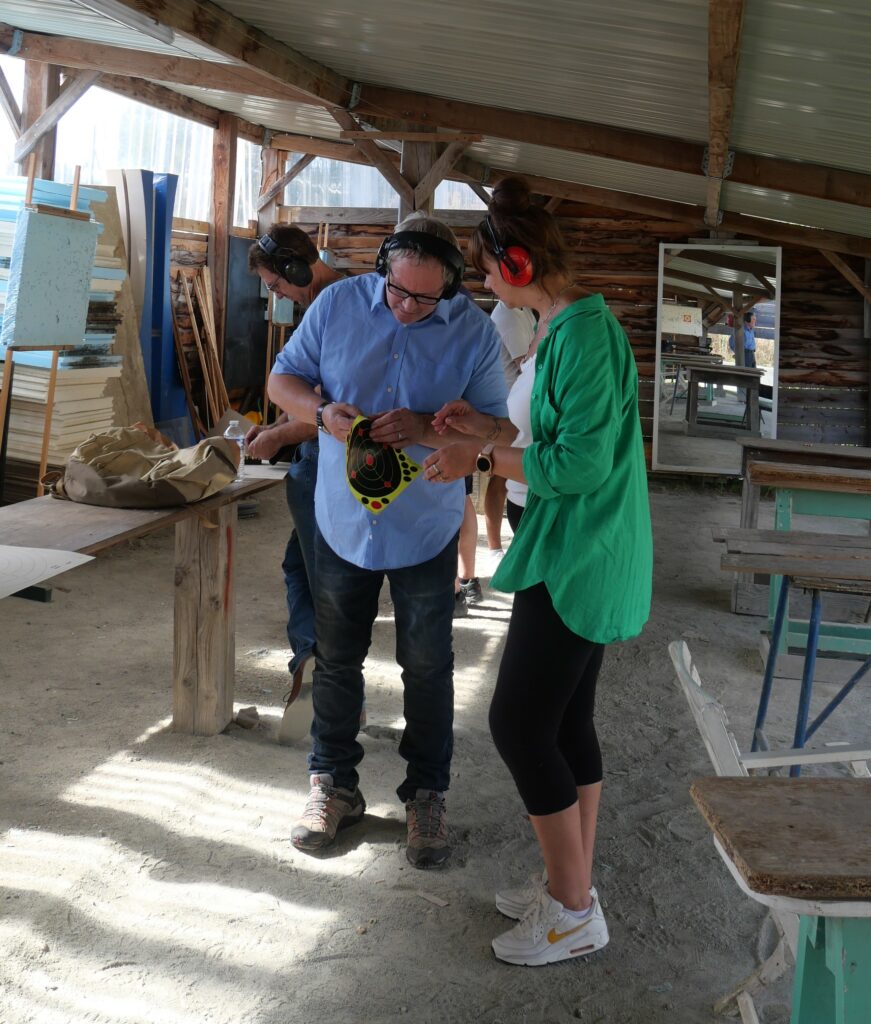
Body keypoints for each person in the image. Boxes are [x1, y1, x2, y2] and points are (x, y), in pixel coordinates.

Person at [424, 176, 652, 964]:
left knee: (518, 724)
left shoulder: (583, 335)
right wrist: (484, 424)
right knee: (562, 722)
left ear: (518, 264)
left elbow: (579, 464)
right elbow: (547, 429)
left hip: (579, 549)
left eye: (488, 268)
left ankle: (572, 909)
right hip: (563, 541)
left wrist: (481, 451)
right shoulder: (559, 327)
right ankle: (571, 884)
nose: (484, 281)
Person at [267, 213, 508, 867]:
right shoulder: (337, 305)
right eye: (397, 292)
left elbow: (494, 432)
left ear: (451, 288)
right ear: (382, 272)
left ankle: (425, 794)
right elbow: (280, 381)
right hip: (341, 520)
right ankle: (332, 784)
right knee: (335, 655)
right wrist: (318, 414)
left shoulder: (474, 332)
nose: (406, 309)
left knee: (427, 665)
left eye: (425, 299)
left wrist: (432, 432)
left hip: (423, 527)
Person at [245, 226, 345, 722]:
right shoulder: (324, 303)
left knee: (325, 579)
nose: (275, 293)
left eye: (274, 283)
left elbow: (332, 413)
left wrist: (278, 437)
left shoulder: (335, 309)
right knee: (300, 567)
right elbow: (308, 399)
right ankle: (311, 663)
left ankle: (330, 691)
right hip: (316, 462)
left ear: (296, 269)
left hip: (328, 466)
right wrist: (277, 426)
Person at [483, 300, 536, 565]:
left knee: (507, 477)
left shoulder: (523, 309)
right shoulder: (507, 315)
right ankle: (494, 547)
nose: (488, 284)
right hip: (507, 407)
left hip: (517, 407)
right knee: (500, 476)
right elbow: (525, 365)